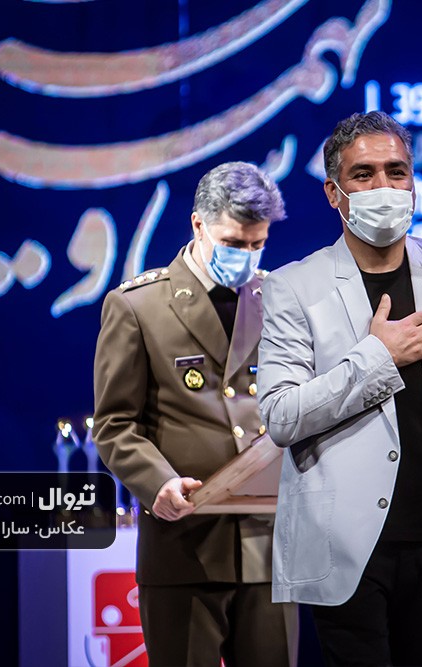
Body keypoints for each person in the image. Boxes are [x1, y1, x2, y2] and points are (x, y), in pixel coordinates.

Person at [257, 110, 422, 667]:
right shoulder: (293, 287)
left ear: (414, 184)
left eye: (396, 172)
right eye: (364, 174)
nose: (384, 187)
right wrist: (378, 357)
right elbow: (280, 415)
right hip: (345, 545)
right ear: (334, 193)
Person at [92, 161, 297, 667]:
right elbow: (115, 425)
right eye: (233, 243)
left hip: (269, 545)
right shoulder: (138, 305)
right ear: (198, 224)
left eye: (257, 244)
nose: (246, 256)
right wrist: (156, 482)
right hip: (183, 543)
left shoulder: (281, 299)